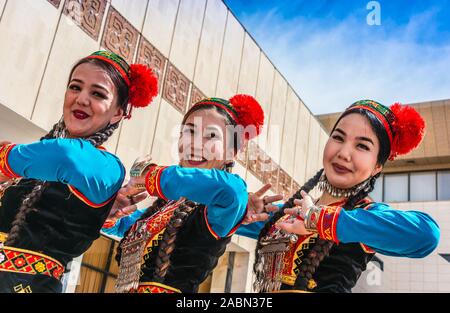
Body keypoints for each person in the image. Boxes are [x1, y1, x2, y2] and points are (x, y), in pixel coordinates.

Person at [240, 100, 440, 293]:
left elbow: (427, 235)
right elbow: (218, 219)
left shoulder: (363, 214)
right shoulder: (287, 215)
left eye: (362, 146)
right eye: (338, 137)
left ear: (377, 166)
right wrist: (241, 209)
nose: (344, 153)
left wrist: (320, 219)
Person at [0, 51, 158, 293]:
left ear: (118, 112)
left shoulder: (108, 168)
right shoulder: (33, 168)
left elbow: (67, 157)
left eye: (97, 93)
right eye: (75, 87)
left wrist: (5, 159)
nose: (82, 99)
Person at [104, 95, 280, 293]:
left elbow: (230, 191)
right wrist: (112, 215)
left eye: (211, 136)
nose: (196, 144)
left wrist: (153, 176)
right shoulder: (166, 205)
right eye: (189, 132)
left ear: (232, 152)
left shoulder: (223, 203)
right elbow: (130, 228)